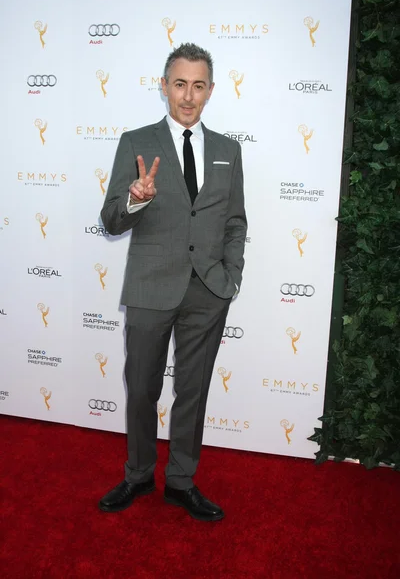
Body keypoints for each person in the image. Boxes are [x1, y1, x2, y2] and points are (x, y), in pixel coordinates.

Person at [99, 43, 247, 521]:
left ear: (210, 90)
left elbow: (235, 221)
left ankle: (181, 482)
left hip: (208, 289)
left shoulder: (228, 149)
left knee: (193, 390)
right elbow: (111, 220)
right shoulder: (135, 141)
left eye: (198, 85)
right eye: (179, 84)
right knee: (141, 387)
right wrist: (136, 199)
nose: (188, 96)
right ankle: (139, 474)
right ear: (164, 86)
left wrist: (230, 276)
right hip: (149, 287)